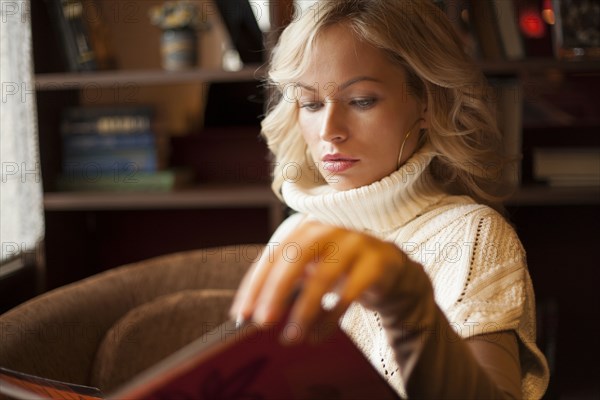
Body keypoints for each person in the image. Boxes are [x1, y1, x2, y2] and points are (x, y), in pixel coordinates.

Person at [230, 1, 549, 398]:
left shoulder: (473, 235)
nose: (329, 130)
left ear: (426, 104)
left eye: (362, 100)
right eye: (310, 103)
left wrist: (409, 307)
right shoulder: (295, 230)